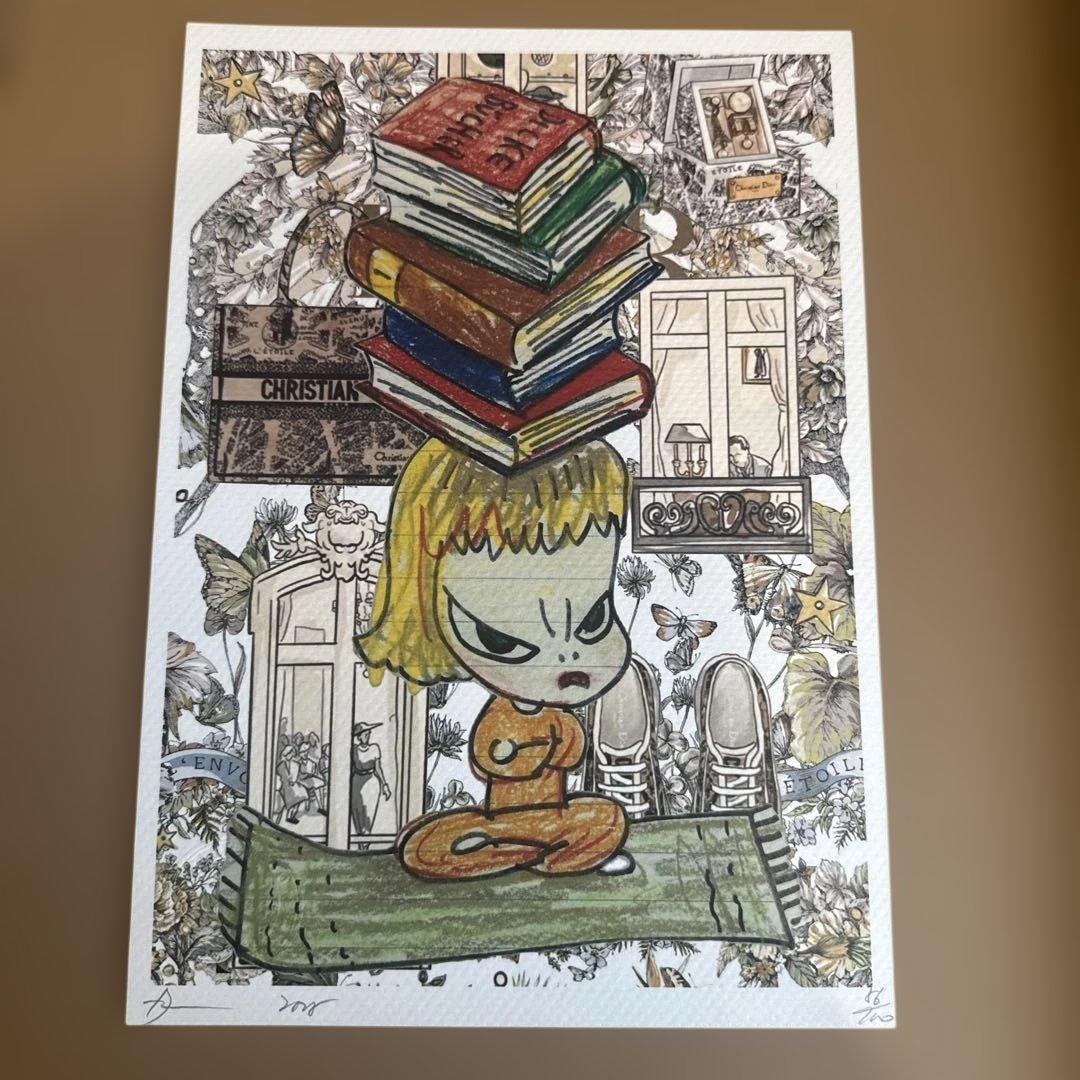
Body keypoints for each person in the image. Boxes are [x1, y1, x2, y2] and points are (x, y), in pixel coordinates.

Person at [355, 437, 634, 881]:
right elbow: (493, 757)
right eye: (501, 641)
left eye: (593, 620)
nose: (566, 657)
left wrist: (554, 746)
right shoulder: (502, 714)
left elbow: (572, 751)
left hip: (554, 815)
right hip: (500, 819)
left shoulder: (554, 715)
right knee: (427, 850)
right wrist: (529, 753)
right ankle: (516, 851)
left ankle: (546, 852)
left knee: (606, 818)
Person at [350, 721, 391, 838]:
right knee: (357, 812)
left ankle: (366, 837)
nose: (367, 736)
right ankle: (360, 838)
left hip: (371, 782)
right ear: (359, 737)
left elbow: (378, 768)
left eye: (369, 734)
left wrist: (384, 784)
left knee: (368, 811)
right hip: (356, 782)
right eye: (365, 734)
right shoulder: (354, 749)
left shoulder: (374, 748)